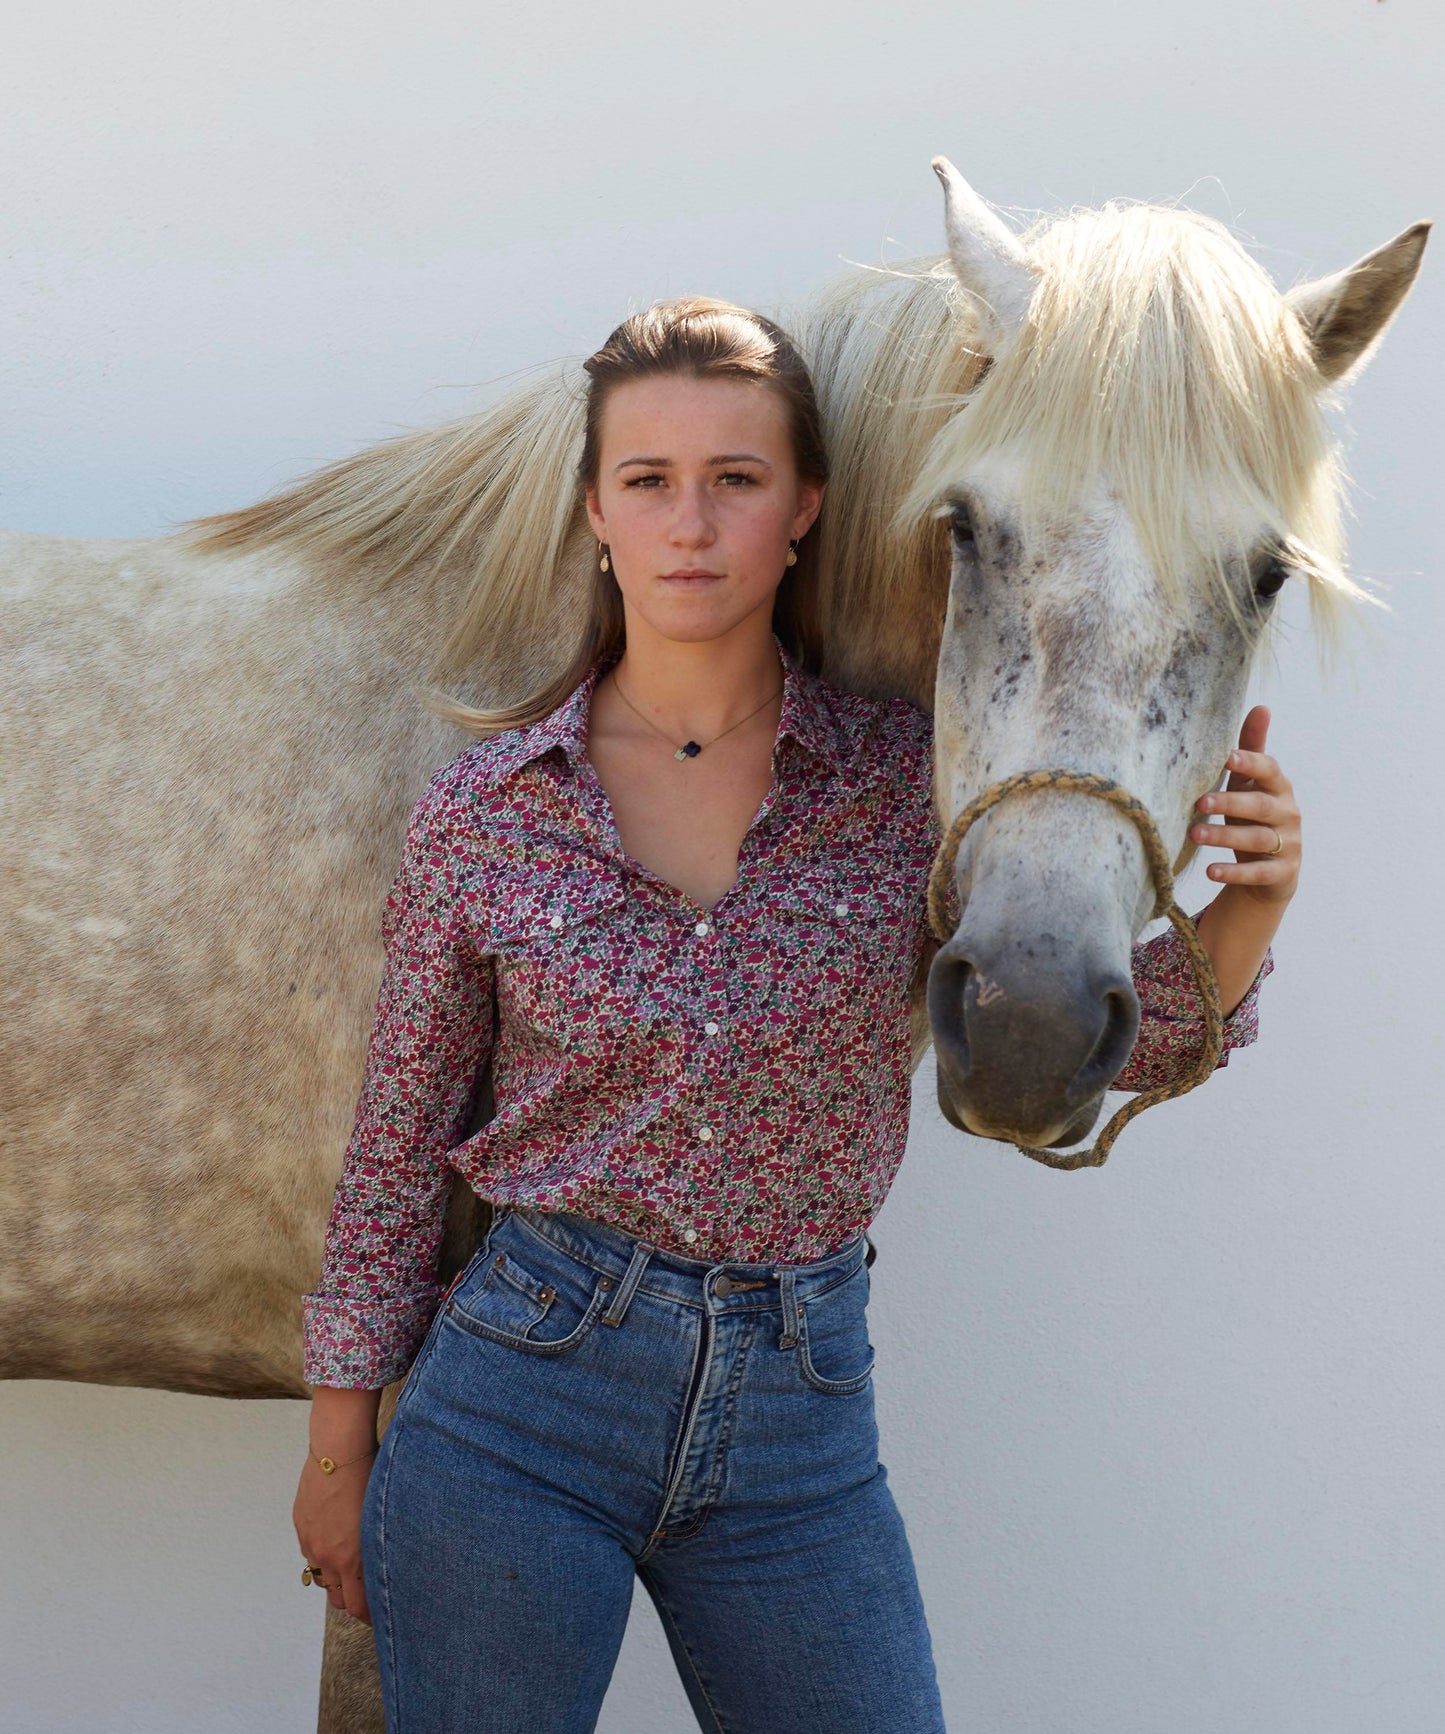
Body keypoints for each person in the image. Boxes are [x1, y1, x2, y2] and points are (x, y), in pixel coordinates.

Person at [292, 297, 1298, 1732]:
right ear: (596, 514)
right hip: (518, 1408)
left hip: (799, 1428)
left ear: (804, 511)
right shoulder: (491, 807)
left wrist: (1248, 908)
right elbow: (396, 1152)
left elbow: (1107, 1048)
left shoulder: (906, 790)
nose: (690, 525)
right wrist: (338, 1451)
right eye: (648, 480)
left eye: (737, 480)